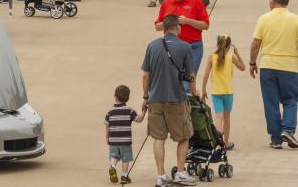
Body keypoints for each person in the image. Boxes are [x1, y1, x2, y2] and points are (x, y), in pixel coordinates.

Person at [141, 15, 198, 187]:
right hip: (177, 99)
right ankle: (180, 172)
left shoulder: (152, 46)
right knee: (184, 136)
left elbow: (145, 75)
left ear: (164, 29)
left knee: (159, 137)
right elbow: (190, 75)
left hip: (155, 99)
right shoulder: (185, 47)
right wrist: (194, 93)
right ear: (177, 27)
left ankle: (161, 176)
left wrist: (145, 97)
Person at [249, 0, 298, 149]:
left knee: (271, 102)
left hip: (268, 66)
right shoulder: (295, 20)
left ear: (273, 2)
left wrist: (252, 63)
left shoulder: (264, 18)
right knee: (291, 100)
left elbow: (256, 43)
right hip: (290, 67)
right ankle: (288, 129)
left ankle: (276, 139)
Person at [155, 0, 210, 86]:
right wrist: (171, 21)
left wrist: (188, 21)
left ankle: (186, 100)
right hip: (172, 47)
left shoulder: (196, 1)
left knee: (187, 82)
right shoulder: (167, 3)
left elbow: (205, 25)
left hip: (193, 47)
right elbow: (157, 26)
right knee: (174, 81)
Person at [200, 34, 245, 150]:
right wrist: (237, 53)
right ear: (229, 46)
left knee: (218, 117)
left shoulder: (211, 57)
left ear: (217, 44)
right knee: (227, 117)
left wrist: (203, 90)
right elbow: (243, 67)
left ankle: (217, 143)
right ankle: (225, 143)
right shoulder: (231, 57)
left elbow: (205, 75)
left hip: (216, 93)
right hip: (228, 93)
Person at [105, 84, 145, 184]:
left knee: (114, 156)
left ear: (115, 97)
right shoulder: (129, 110)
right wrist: (144, 111)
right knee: (125, 158)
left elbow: (107, 126)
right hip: (125, 141)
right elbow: (139, 120)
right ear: (127, 98)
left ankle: (113, 166)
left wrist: (107, 138)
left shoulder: (110, 111)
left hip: (113, 140)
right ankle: (124, 176)